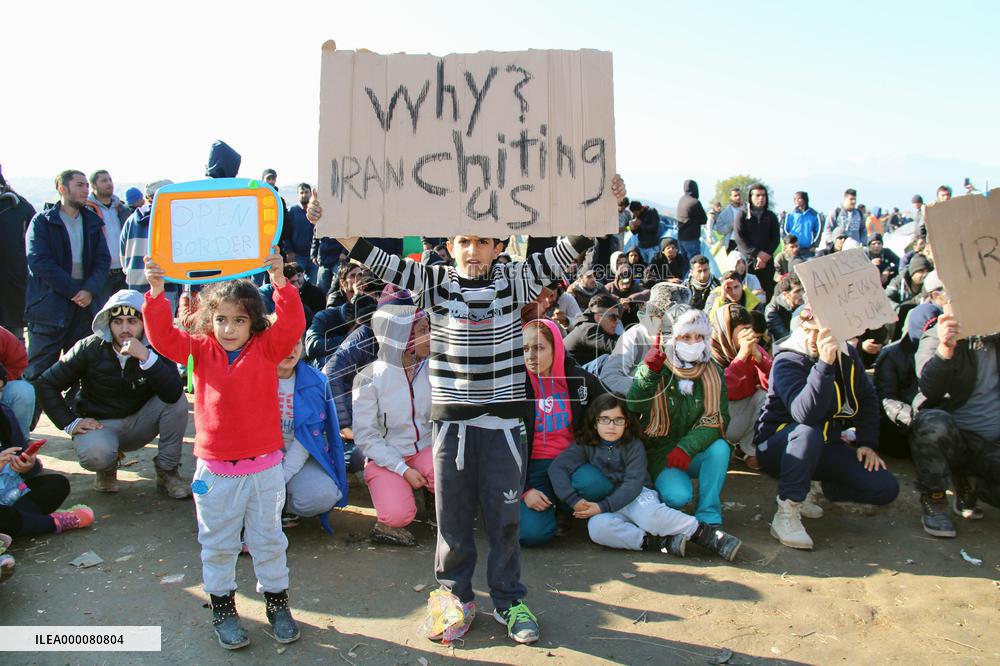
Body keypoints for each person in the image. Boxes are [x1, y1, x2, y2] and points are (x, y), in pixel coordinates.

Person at [309, 173, 624, 644]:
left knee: (505, 519)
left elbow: (565, 250)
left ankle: (509, 599)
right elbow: (378, 259)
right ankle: (454, 597)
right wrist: (333, 223)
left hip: (502, 426)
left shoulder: (516, 280)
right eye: (463, 241)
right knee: (453, 520)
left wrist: (602, 204)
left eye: (482, 241)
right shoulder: (433, 283)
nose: (472, 250)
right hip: (451, 428)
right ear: (450, 247)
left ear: (499, 246)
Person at [143, 249, 306, 650]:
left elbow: (293, 323)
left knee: (269, 539)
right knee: (217, 543)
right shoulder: (199, 350)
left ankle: (277, 604)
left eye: (239, 320)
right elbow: (162, 337)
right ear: (208, 320)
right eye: (221, 320)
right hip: (214, 473)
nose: (229, 329)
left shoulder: (268, 348)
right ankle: (223, 607)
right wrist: (156, 292)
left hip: (265, 470)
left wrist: (280, 281)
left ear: (253, 322)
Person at [754, 310, 899, 550]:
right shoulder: (788, 359)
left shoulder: (848, 354)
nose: (813, 338)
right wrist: (824, 365)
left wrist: (866, 443)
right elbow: (805, 414)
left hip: (825, 444)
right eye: (808, 330)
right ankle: (787, 511)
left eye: (820, 332)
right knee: (808, 431)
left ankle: (814, 487)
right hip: (779, 446)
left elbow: (867, 399)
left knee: (884, 488)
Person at [548, 394, 741, 560]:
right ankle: (660, 543)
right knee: (597, 528)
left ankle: (708, 536)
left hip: (637, 495)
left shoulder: (633, 446)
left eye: (618, 420)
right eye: (604, 419)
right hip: (608, 502)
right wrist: (573, 500)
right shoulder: (586, 445)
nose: (611, 426)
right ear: (594, 422)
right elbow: (557, 468)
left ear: (627, 422)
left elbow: (633, 484)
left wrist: (601, 506)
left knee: (650, 516)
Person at [34, 290, 190, 497]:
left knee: (178, 402)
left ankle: (167, 471)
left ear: (144, 323)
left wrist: (146, 358)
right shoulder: (89, 348)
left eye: (132, 321)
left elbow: (172, 394)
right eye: (118, 322)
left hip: (142, 421)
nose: (125, 329)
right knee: (96, 455)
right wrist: (69, 422)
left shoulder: (156, 347)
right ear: (108, 322)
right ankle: (106, 469)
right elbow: (45, 383)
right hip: (101, 424)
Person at [627, 309, 732, 526]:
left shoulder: (714, 372)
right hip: (661, 453)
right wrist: (649, 372)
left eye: (699, 337)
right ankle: (658, 487)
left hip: (693, 451)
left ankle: (708, 513)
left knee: (721, 448)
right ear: (673, 338)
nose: (693, 343)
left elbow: (718, 418)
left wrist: (687, 447)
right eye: (686, 337)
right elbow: (634, 404)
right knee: (677, 497)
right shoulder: (657, 365)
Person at [909, 290, 1000, 538]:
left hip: (992, 443)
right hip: (956, 439)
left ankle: (971, 485)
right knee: (931, 424)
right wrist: (945, 350)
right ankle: (935, 501)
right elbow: (929, 388)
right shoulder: (935, 336)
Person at [520, 319, 606, 547]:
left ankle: (566, 508)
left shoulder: (580, 381)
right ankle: (552, 507)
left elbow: (609, 412)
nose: (531, 356)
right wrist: (523, 490)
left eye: (539, 347)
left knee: (597, 484)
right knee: (532, 535)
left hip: (571, 463)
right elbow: (498, 446)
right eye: (525, 349)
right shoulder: (514, 386)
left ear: (556, 347)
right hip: (530, 470)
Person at [353, 305, 434, 546]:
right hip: (386, 458)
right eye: (423, 330)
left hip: (425, 448)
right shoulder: (368, 379)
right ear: (401, 337)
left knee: (453, 480)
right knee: (397, 516)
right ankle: (389, 516)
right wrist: (403, 469)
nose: (430, 336)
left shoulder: (433, 369)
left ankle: (434, 503)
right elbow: (366, 438)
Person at [24, 170, 111, 382]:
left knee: (82, 373)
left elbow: (103, 260)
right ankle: (30, 415)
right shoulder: (42, 222)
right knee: (39, 373)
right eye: (80, 185)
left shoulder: (92, 221)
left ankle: (75, 416)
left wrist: (89, 290)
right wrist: (73, 291)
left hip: (84, 309)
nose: (86, 190)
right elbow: (39, 261)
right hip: (49, 308)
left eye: (86, 186)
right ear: (62, 189)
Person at [275, 338, 348, 532]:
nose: (290, 350)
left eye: (296, 342)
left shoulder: (315, 381)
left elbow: (305, 441)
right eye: (283, 341)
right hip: (256, 459)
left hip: (297, 458)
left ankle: (280, 506)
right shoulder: (247, 377)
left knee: (322, 495)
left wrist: (281, 477)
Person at [0, 404, 94, 540]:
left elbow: (25, 465)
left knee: (56, 484)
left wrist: (26, 465)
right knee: (4, 516)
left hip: (9, 496)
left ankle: (19, 525)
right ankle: (51, 523)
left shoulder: (3, 414)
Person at [598, 282, 691, 397]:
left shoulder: (688, 338)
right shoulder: (635, 335)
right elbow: (610, 377)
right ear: (654, 315)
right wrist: (651, 392)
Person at [711, 304, 771, 470]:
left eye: (748, 329)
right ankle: (719, 451)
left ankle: (747, 449)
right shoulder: (708, 352)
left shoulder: (752, 347)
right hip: (717, 419)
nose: (747, 335)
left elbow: (772, 383)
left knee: (765, 395)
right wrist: (741, 357)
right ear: (727, 331)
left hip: (743, 411)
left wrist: (759, 359)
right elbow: (720, 389)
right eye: (742, 330)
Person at [120, 180, 178, 310]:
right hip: (163, 286)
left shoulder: (131, 220)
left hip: (135, 287)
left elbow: (124, 258)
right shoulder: (172, 219)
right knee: (159, 328)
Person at [0, 167, 36, 340]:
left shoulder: (19, 206)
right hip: (14, 283)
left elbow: (37, 246)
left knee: (14, 341)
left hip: (13, 286)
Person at [85, 169, 130, 305]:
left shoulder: (122, 209)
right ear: (93, 186)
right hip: (101, 273)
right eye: (104, 181)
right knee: (101, 314)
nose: (109, 183)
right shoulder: (87, 211)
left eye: (110, 180)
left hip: (123, 272)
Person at [733, 183, 780, 302]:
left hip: (767, 262)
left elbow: (776, 239)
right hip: (748, 261)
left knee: (767, 291)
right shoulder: (742, 215)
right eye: (757, 195)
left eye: (763, 195)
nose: (761, 198)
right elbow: (739, 238)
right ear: (751, 197)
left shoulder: (771, 216)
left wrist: (765, 256)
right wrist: (757, 254)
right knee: (748, 293)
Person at [563, 294, 621, 367]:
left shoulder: (596, 327)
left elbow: (619, 340)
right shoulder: (588, 329)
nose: (617, 321)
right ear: (598, 317)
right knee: (606, 359)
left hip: (579, 371)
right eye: (613, 317)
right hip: (569, 374)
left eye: (618, 317)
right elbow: (615, 346)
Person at [0, 327, 34, 439]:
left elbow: (18, 361)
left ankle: (19, 444)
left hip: (3, 388)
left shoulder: (2, 335)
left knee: (23, 391)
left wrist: (3, 380)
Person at [286, 184, 318, 284]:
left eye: (306, 192)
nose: (304, 195)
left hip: (313, 256)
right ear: (297, 195)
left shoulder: (316, 211)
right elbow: (286, 233)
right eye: (301, 192)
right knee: (297, 283)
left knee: (312, 284)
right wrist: (289, 250)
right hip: (298, 255)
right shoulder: (292, 211)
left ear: (310, 193)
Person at [764, 274, 804, 343]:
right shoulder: (772, 310)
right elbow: (784, 338)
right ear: (785, 294)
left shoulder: (805, 303)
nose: (802, 294)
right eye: (797, 291)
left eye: (802, 290)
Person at [675, 180, 707, 260]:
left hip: (681, 237)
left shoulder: (682, 199)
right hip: (691, 239)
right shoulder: (694, 202)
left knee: (684, 264)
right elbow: (704, 219)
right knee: (695, 263)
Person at [783, 192, 821, 258]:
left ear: (805, 199)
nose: (796, 201)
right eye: (795, 199)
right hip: (792, 249)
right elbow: (785, 230)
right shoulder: (790, 215)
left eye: (799, 198)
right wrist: (788, 243)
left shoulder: (814, 215)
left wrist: (814, 245)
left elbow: (818, 231)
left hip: (807, 249)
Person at [713, 187, 741, 252]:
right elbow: (719, 230)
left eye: (739, 195)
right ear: (731, 197)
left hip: (745, 242)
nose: (738, 197)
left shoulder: (747, 209)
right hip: (731, 242)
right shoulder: (724, 213)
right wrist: (731, 225)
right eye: (735, 195)